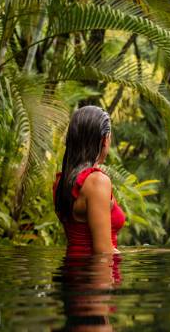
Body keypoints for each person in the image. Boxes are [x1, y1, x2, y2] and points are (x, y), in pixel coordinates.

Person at [53, 105, 126, 255]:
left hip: (73, 272)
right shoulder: (97, 181)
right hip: (96, 275)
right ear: (104, 140)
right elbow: (103, 252)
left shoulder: (62, 182)